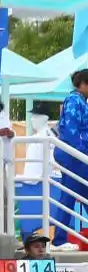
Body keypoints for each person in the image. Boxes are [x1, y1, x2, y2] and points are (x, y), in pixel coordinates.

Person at [58, 69, 88, 235]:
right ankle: (59, 239)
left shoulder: (81, 101)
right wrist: (82, 151)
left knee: (76, 193)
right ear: (83, 84)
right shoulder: (74, 100)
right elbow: (71, 131)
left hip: (78, 154)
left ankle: (59, 238)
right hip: (74, 154)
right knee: (68, 195)